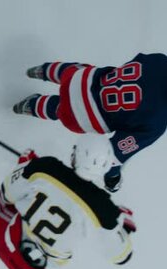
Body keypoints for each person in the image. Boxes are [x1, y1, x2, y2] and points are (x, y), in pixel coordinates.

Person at [0, 135, 136, 269]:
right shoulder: (105, 211)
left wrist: (27, 166)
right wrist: (118, 223)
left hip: (8, 242)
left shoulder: (46, 168)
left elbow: (8, 193)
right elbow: (121, 257)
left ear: (76, 155)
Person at [12, 53, 167, 192]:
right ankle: (31, 105)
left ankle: (43, 70)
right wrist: (112, 180)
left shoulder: (160, 60)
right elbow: (112, 154)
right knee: (61, 108)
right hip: (82, 117)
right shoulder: (157, 125)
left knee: (73, 73)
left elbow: (132, 65)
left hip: (84, 79)